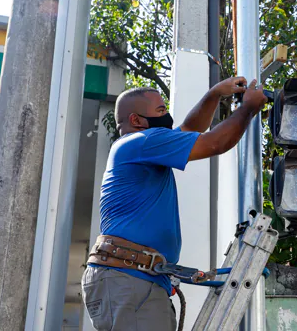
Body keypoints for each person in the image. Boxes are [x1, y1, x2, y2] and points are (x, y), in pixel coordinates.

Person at [81, 77, 267, 331]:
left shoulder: (140, 147)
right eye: (160, 111)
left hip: (132, 277)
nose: (166, 116)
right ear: (136, 120)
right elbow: (215, 142)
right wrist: (248, 108)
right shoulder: (143, 142)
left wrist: (214, 94)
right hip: (130, 277)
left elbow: (190, 128)